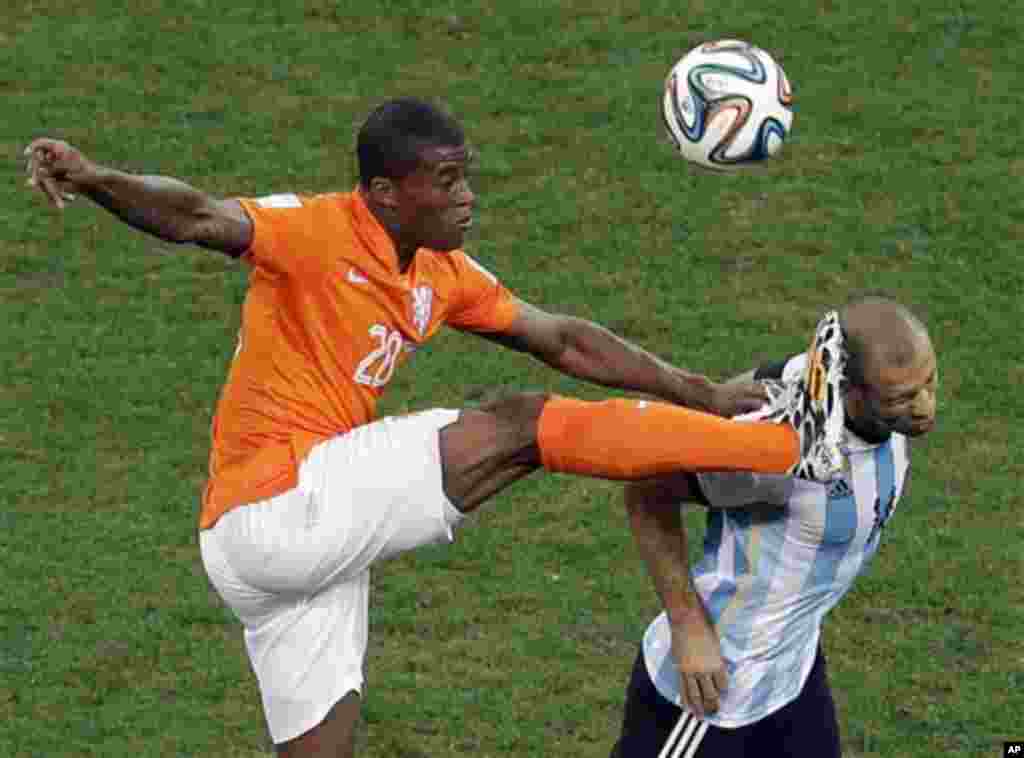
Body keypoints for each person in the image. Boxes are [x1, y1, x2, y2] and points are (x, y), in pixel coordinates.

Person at [24, 97, 845, 758]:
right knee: (520, 427)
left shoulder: (441, 273)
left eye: (467, 178)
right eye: (446, 181)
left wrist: (698, 389)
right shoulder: (311, 232)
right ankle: (789, 446)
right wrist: (94, 176)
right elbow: (197, 216)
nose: (466, 197)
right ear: (385, 193)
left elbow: (561, 338)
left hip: (282, 552)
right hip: (278, 500)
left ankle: (769, 437)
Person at [610, 295, 938, 758]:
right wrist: (687, 626)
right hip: (713, 691)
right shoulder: (781, 454)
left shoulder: (829, 369)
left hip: (793, 674)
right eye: (901, 398)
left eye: (929, 381)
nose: (925, 407)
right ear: (852, 392)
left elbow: (782, 372)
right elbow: (648, 488)